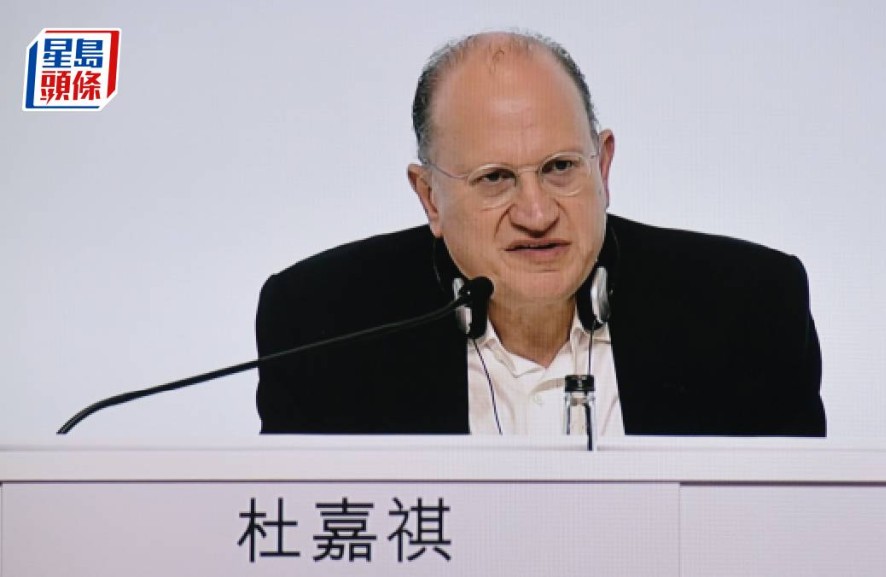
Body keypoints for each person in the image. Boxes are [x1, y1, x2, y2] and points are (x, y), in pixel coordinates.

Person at [255, 31, 826, 436]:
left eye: (560, 168)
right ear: (429, 197)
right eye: (495, 178)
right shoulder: (322, 328)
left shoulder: (750, 309)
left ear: (603, 167)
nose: (536, 213)